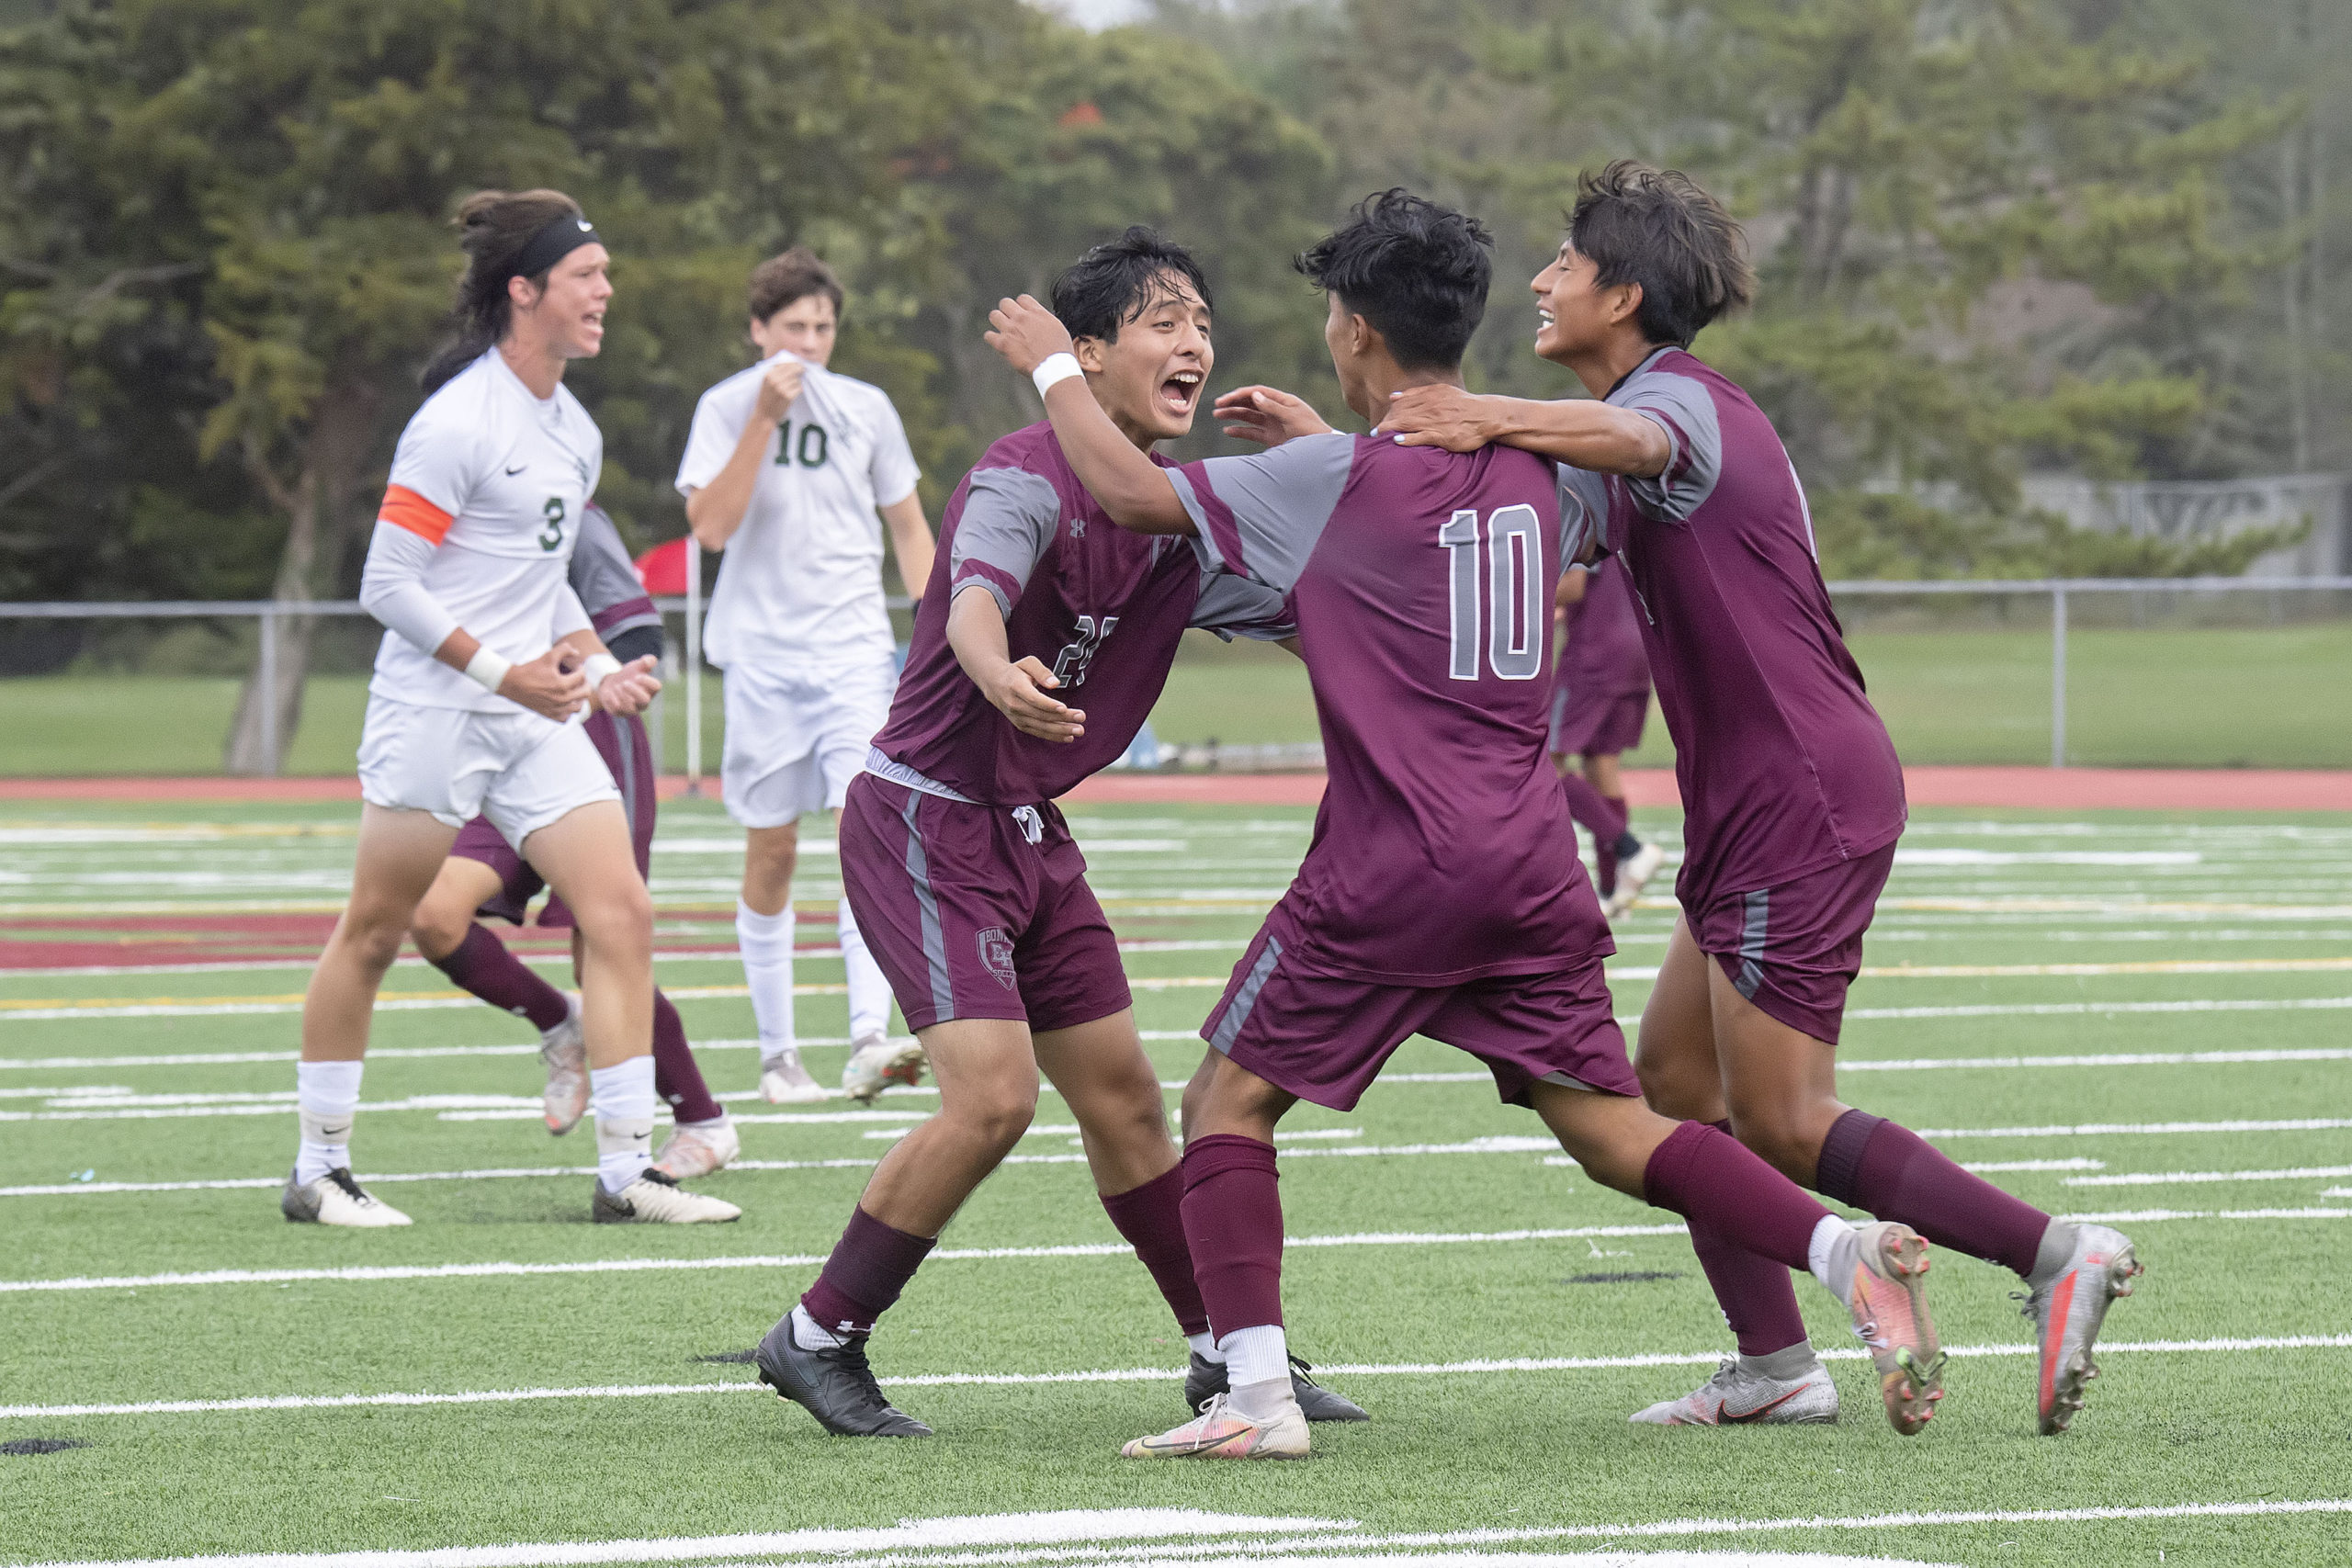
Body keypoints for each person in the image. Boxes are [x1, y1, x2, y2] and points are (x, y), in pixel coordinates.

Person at [989, 188, 1944, 1461]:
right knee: (1612, 1126)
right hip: (1529, 861)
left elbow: (1122, 489)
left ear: (1355, 331)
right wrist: (1336, 441)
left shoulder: (1328, 475)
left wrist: (1050, 362)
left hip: (1390, 865)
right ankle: (1836, 1249)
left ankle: (1256, 1397)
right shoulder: (1539, 468)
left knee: (1225, 1102)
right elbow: (1431, 521)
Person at [1377, 161, 2140, 1436]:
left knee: (1783, 1116)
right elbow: (1492, 523)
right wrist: (1333, 458)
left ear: (1624, 294)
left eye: (1566, 261)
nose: (1543, 280)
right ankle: (1776, 1365)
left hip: (1798, 792)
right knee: (1676, 1078)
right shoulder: (1612, 427)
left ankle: (2057, 1251)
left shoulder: (1677, 400)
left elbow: (1639, 443)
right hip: (1753, 801)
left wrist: (1482, 409)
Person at [752, 228, 1363, 1438]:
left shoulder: (1177, 512)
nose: (1194, 344)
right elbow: (972, 594)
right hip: (923, 817)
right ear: (1084, 355)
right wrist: (993, 669)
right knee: (992, 1101)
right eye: (1164, 322)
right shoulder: (1025, 472)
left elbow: (1323, 610)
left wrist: (1335, 495)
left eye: (1203, 324)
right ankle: (816, 1335)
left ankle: (1222, 1355)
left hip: (1027, 830)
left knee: (1128, 1101)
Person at [284, 188, 738, 1229]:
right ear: (524, 291)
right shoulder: (458, 421)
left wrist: (596, 662)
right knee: (376, 928)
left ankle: (626, 1172)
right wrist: (505, 674)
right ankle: (318, 1169)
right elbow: (386, 584)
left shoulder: (573, 428)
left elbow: (543, 583)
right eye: (587, 275)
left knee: (620, 912)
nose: (606, 290)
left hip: (532, 713)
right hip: (437, 710)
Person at [407, 502, 741, 1181]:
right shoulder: (437, 509)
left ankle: (702, 1120)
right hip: (497, 747)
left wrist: (589, 682)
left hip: (588, 744)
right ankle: (561, 1025)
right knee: (434, 915)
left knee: (605, 948)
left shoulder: (569, 508)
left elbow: (637, 632)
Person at [677, 248, 937, 1107]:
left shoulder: (868, 407)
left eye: (823, 327)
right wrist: (762, 419)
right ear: (759, 331)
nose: (812, 343)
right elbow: (710, 527)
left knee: (867, 834)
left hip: (851, 651)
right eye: (794, 327)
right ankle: (777, 1055)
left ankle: (869, 1037)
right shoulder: (724, 406)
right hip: (760, 657)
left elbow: (908, 525)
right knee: (773, 850)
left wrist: (942, 626)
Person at [1550, 555, 1664, 919]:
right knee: (1601, 762)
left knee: (1543, 762)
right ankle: (1612, 888)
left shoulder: (1573, 514)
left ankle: (1631, 850)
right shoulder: (1623, 515)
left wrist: (1517, 597)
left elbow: (1573, 586)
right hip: (1637, 648)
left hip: (1595, 653)